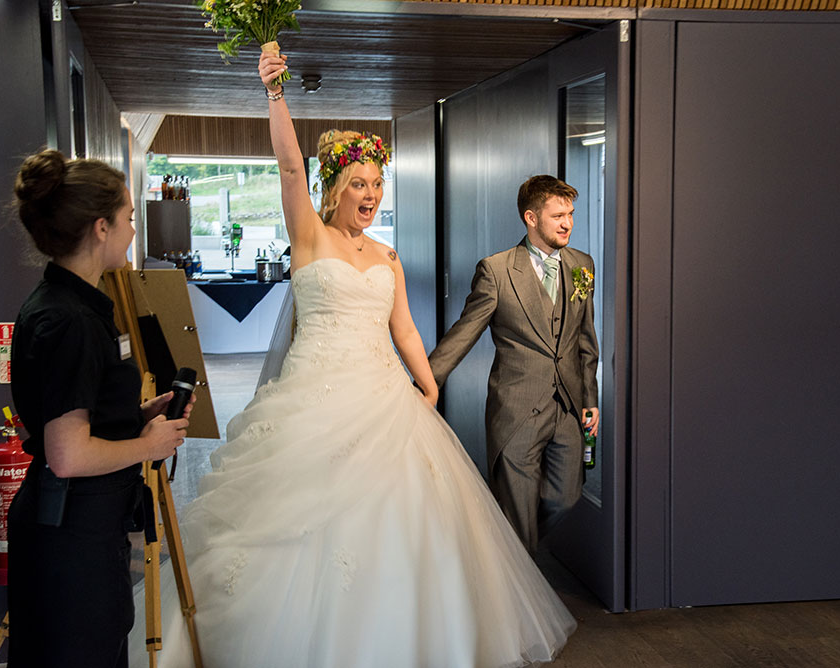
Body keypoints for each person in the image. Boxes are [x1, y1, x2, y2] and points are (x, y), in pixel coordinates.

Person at [127, 49, 575, 668]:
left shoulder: (387, 257)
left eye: (377, 184)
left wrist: (429, 384)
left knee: (405, 522)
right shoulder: (309, 237)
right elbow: (289, 167)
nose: (370, 195)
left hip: (386, 399)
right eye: (359, 184)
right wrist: (275, 93)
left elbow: (406, 330)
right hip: (313, 398)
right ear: (336, 189)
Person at [6, 149, 192, 668]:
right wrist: (148, 446)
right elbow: (68, 454)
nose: (133, 231)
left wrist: (139, 417)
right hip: (73, 541)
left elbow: (78, 413)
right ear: (101, 227)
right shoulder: (71, 321)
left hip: (78, 530)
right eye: (129, 218)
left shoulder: (68, 304)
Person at [428, 175, 600, 553]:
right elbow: (464, 333)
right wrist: (426, 382)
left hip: (568, 408)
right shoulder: (497, 270)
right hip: (517, 410)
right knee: (519, 520)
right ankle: (519, 576)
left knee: (566, 498)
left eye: (570, 214)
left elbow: (585, 340)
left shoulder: (582, 265)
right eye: (558, 216)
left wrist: (590, 399)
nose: (568, 224)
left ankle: (503, 548)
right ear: (531, 218)